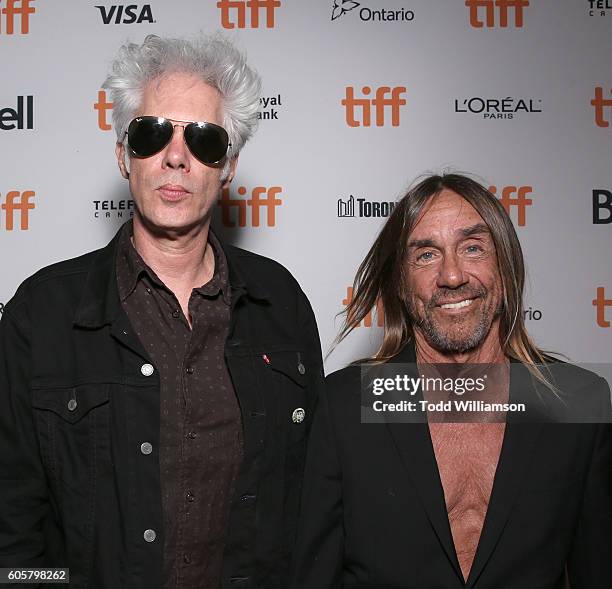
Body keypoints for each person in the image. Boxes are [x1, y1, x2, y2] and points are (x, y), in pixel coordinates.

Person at [0, 34, 323, 589]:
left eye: (204, 140)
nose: (176, 156)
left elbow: (314, 507)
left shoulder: (282, 304)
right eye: (152, 134)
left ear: (229, 165)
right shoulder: (41, 313)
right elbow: (12, 522)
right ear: (123, 154)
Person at [291, 173, 612, 589]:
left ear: (506, 267)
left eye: (473, 248)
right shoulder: (345, 406)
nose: (453, 276)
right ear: (401, 285)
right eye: (425, 255)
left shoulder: (579, 402)